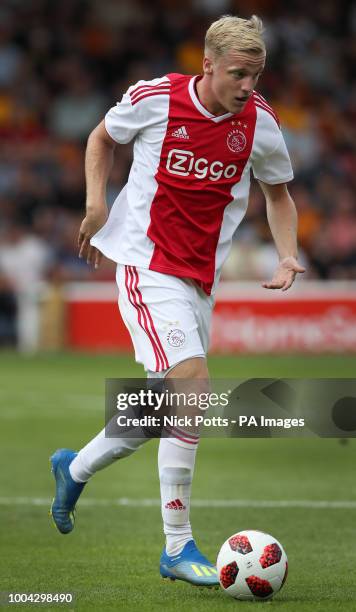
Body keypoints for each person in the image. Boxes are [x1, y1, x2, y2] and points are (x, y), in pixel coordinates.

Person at [50, 15, 305, 588]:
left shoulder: (260, 124)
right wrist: (96, 207)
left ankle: (75, 467)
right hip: (146, 263)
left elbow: (279, 194)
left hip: (199, 281)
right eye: (239, 74)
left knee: (166, 407)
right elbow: (101, 138)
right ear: (207, 65)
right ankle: (177, 545)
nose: (248, 87)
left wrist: (287, 253)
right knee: (192, 385)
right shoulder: (156, 99)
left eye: (257, 76)